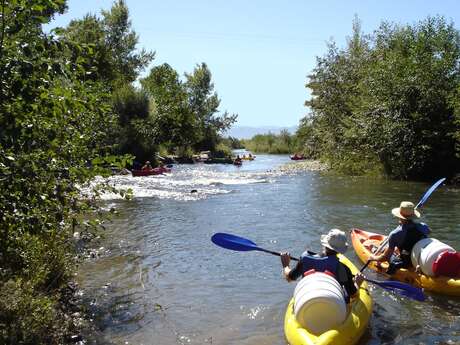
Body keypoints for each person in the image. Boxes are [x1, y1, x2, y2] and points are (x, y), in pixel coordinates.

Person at [280, 229, 364, 303]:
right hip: (334, 306)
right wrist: (357, 283)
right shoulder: (342, 269)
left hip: (307, 300)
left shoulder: (305, 258)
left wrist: (285, 265)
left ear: (325, 244)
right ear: (340, 250)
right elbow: (353, 295)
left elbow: (289, 278)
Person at [369, 201, 430, 274]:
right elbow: (428, 232)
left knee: (387, 251)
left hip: (406, 263)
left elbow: (385, 257)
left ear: (399, 216)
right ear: (413, 215)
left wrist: (373, 258)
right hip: (421, 260)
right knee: (398, 248)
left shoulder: (395, 234)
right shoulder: (424, 226)